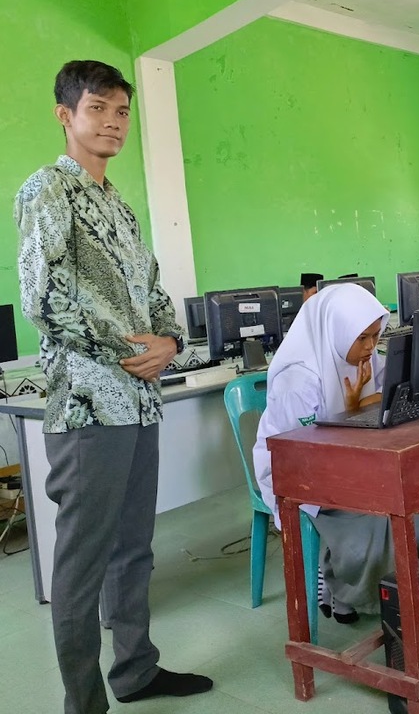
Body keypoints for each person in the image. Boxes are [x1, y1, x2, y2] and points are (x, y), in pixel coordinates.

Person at [14, 61, 212, 713]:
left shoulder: (120, 208)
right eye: (97, 108)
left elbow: (153, 292)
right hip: (87, 407)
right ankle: (84, 702)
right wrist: (134, 351)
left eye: (122, 111)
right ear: (65, 115)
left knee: (133, 549)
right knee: (81, 565)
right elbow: (43, 299)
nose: (113, 122)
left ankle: (135, 671)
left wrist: (171, 342)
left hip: (139, 403)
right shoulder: (48, 190)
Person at [252, 283, 393, 623]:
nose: (371, 347)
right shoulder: (298, 379)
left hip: (343, 454)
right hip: (293, 469)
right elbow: (300, 451)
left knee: (402, 489)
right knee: (378, 505)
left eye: (376, 336)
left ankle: (353, 583)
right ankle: (343, 585)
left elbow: (387, 393)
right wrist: (354, 410)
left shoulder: (363, 357)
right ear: (337, 331)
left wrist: (359, 406)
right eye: (362, 338)